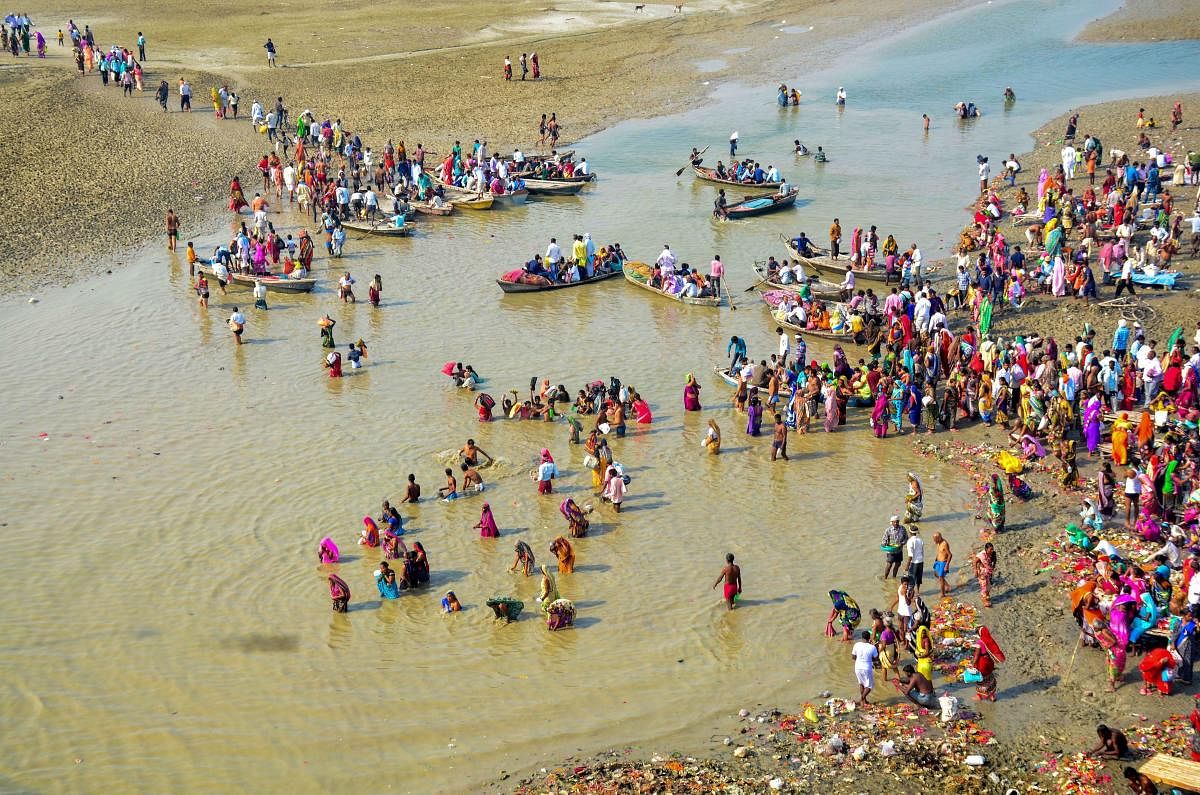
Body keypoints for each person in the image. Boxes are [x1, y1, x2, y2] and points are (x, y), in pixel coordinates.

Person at [851, 630, 878, 705]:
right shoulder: (872, 647)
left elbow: (853, 657)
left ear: (862, 638)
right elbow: (876, 659)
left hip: (857, 667)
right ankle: (862, 699)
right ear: (869, 638)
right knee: (869, 686)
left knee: (861, 684)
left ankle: (864, 701)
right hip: (867, 668)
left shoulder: (857, 645)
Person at [974, 542, 997, 607]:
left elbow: (994, 561)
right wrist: (976, 570)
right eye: (990, 549)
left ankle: (987, 596)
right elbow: (975, 561)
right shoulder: (981, 555)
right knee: (984, 586)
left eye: (992, 549)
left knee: (988, 586)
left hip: (989, 572)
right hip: (982, 572)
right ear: (986, 549)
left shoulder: (993, 554)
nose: (992, 551)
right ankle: (984, 601)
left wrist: (993, 567)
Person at [932, 531, 953, 597]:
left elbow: (950, 555)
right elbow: (939, 552)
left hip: (943, 562)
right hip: (938, 561)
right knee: (936, 574)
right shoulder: (939, 543)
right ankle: (947, 586)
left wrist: (947, 565)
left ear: (939, 538)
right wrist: (935, 560)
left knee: (941, 578)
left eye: (935, 540)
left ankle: (942, 594)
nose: (934, 541)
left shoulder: (945, 544)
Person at [905, 526, 924, 590]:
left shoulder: (910, 541)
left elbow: (910, 555)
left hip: (914, 562)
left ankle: (911, 592)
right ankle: (918, 591)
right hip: (920, 561)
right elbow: (922, 551)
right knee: (918, 578)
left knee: (911, 579)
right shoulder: (920, 540)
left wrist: (907, 566)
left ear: (910, 532)